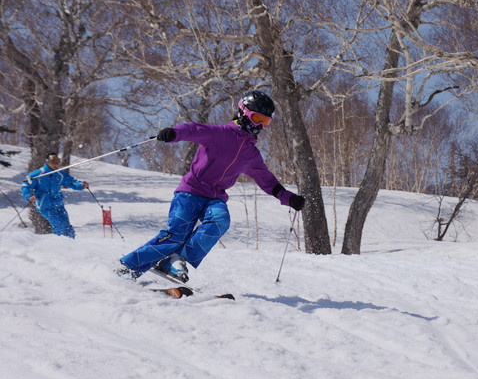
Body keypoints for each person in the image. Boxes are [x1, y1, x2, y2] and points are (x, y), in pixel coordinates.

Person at [114, 90, 305, 282]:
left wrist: (289, 198)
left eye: (265, 122)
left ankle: (175, 260)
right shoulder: (219, 134)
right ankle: (128, 269)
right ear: (243, 112)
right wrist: (174, 133)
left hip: (215, 198)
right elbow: (193, 129)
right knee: (176, 235)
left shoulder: (251, 154)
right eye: (257, 118)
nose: (259, 126)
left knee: (220, 221)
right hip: (190, 192)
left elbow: (268, 181)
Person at [21, 153, 89, 238]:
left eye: (57, 161)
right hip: (45, 205)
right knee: (59, 226)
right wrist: (29, 196)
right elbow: (25, 186)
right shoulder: (37, 174)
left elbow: (72, 182)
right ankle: (60, 245)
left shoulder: (60, 174)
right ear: (47, 162)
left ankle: (71, 243)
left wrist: (81, 185)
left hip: (58, 203)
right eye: (53, 162)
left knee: (67, 226)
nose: (56, 164)